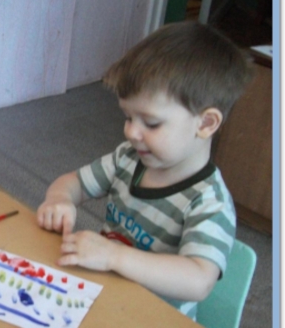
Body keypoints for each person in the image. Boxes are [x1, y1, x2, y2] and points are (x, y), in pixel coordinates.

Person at [36, 21, 252, 308]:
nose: (131, 132)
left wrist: (114, 256)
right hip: (103, 296)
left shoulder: (209, 201)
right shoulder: (128, 158)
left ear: (206, 123)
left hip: (153, 321)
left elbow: (199, 280)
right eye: (128, 117)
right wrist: (60, 199)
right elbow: (73, 182)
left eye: (151, 123)